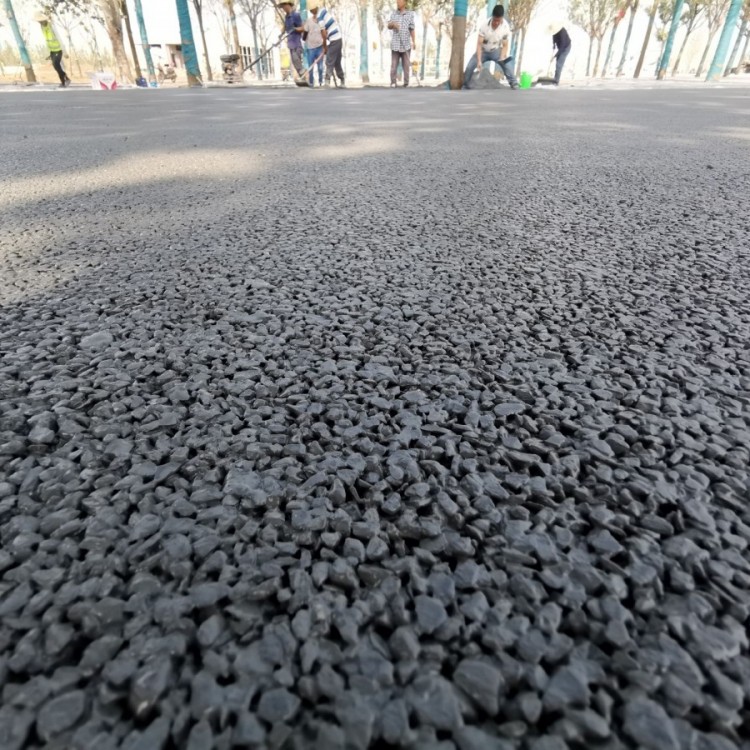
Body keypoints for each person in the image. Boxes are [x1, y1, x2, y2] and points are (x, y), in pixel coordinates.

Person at [462, 5, 517, 90]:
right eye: (495, 20)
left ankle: (514, 83)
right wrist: (479, 61)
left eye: (499, 20)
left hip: (495, 50)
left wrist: (502, 57)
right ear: (492, 17)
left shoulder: (505, 27)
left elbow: (505, 45)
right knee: (470, 66)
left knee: (506, 64)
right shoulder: (484, 25)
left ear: (502, 18)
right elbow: (479, 44)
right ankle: (465, 85)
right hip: (483, 51)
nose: (496, 23)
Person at [310, 2, 344, 87]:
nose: (311, 12)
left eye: (311, 10)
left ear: (314, 9)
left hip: (334, 39)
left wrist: (325, 47)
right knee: (336, 62)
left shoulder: (319, 17)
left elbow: (324, 34)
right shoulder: (323, 10)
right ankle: (342, 80)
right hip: (338, 39)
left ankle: (327, 81)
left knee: (329, 60)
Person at [35, 13, 71, 88]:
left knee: (56, 65)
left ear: (45, 20)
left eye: (41, 21)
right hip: (52, 51)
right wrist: (49, 53)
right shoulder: (42, 27)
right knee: (56, 67)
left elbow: (59, 38)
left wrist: (65, 52)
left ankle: (64, 81)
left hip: (58, 49)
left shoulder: (51, 26)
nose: (40, 22)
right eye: (39, 21)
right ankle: (65, 79)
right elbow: (47, 41)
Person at [388, 0, 416, 88]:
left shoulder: (410, 14)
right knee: (393, 65)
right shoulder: (393, 14)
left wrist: (414, 41)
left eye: (399, 1)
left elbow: (412, 29)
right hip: (395, 44)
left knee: (406, 65)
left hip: (406, 44)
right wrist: (393, 24)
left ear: (404, 2)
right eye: (397, 2)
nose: (398, 3)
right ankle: (393, 82)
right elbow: (389, 26)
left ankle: (406, 83)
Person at [278, 1, 305, 79]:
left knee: (296, 59)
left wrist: (295, 29)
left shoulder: (296, 15)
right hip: (290, 43)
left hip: (297, 42)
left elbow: (302, 28)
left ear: (288, 5)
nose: (283, 8)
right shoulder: (286, 17)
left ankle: (304, 75)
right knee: (294, 61)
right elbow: (285, 27)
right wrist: (281, 34)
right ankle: (303, 77)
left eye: (283, 6)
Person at [304, 6, 325, 87]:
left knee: (320, 67)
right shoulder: (308, 21)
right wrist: (304, 40)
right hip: (310, 48)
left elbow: (324, 32)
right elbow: (305, 33)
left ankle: (320, 82)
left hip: (320, 47)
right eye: (312, 10)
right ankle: (311, 83)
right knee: (311, 67)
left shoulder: (321, 21)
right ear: (311, 11)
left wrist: (325, 45)